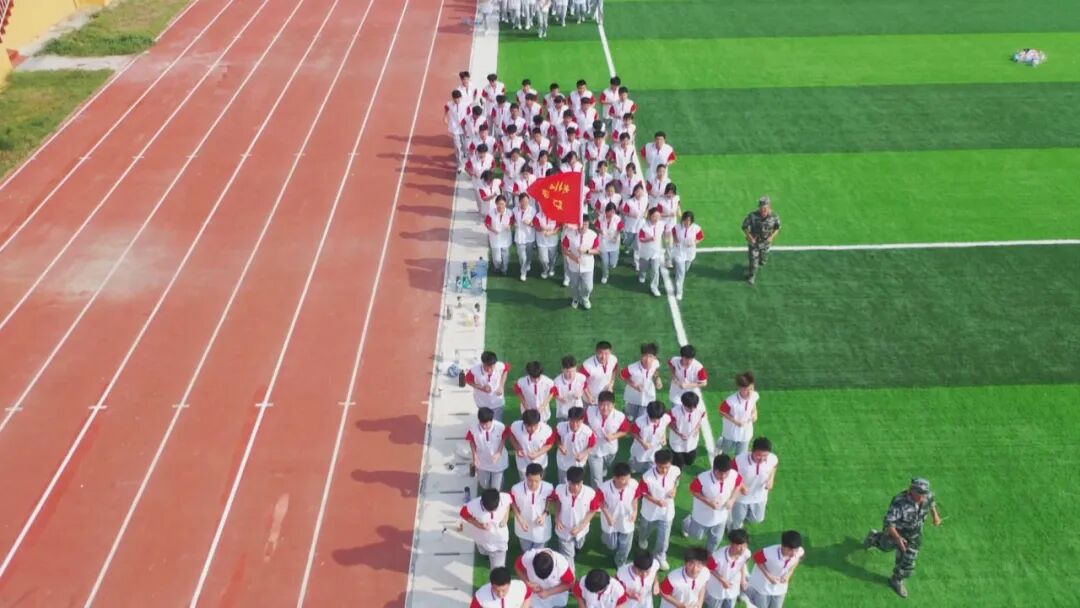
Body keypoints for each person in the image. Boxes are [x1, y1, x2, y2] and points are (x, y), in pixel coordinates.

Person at [863, 478, 943, 598]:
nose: (923, 496)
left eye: (924, 493)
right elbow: (889, 524)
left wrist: (936, 516)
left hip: (914, 535)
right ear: (912, 490)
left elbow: (931, 503)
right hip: (896, 532)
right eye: (920, 493)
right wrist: (898, 539)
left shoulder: (927, 496)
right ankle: (874, 538)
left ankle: (896, 580)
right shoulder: (899, 502)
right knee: (885, 547)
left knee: (908, 561)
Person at [682, 454, 743, 553]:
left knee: (716, 539)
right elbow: (693, 490)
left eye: (726, 473)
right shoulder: (702, 479)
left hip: (721, 516)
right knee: (696, 536)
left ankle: (710, 554)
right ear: (714, 469)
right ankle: (687, 523)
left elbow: (739, 484)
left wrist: (732, 499)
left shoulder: (734, 475)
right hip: (702, 515)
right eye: (720, 473)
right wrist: (708, 502)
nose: (723, 477)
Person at [637, 448, 680, 570]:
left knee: (664, 538)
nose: (664, 470)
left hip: (667, 512)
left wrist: (674, 490)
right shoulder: (647, 477)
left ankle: (660, 556)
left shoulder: (675, 470)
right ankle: (642, 539)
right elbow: (643, 493)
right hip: (649, 511)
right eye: (661, 467)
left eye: (667, 467)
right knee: (645, 529)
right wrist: (656, 501)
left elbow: (677, 479)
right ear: (655, 463)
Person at [552, 466, 602, 567]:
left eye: (578, 484)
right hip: (564, 529)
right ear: (568, 481)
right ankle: (570, 573)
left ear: (582, 481)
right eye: (572, 484)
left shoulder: (590, 493)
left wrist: (580, 527)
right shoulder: (559, 489)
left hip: (581, 530)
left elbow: (593, 510)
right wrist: (557, 518)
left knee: (579, 545)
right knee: (568, 555)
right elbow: (558, 502)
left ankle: (576, 548)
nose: (575, 487)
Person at [597, 461, 642, 566]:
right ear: (615, 478)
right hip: (610, 520)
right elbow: (599, 502)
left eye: (628, 478)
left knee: (625, 544)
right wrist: (608, 516)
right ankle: (605, 537)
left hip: (627, 518)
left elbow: (635, 498)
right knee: (612, 545)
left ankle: (620, 561)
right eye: (623, 479)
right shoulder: (604, 488)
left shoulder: (634, 484)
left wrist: (635, 511)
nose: (626, 482)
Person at [729, 437, 778, 530]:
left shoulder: (773, 459)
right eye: (758, 455)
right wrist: (742, 485)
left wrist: (771, 479)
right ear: (752, 451)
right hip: (740, 498)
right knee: (737, 521)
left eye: (765, 456)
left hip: (760, 497)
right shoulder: (739, 460)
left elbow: (774, 466)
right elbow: (731, 474)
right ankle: (732, 530)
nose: (762, 459)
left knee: (757, 519)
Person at [747, 530, 804, 608]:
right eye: (790, 550)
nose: (793, 554)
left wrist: (788, 574)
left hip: (780, 587)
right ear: (783, 546)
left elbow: (797, 559)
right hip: (762, 585)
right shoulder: (769, 552)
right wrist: (769, 576)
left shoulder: (799, 551)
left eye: (796, 550)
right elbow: (756, 558)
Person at [461, 488, 513, 569]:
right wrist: (479, 525)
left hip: (500, 539)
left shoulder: (504, 497)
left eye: (494, 510)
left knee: (498, 566)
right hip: (482, 538)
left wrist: (505, 518)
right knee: (483, 550)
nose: (492, 512)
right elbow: (463, 514)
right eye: (488, 511)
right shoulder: (472, 506)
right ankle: (486, 554)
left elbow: (508, 503)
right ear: (482, 503)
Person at [585, 391, 629, 486]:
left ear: (613, 405)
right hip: (593, 450)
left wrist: (614, 436)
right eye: (602, 405)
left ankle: (602, 469)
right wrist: (589, 430)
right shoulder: (589, 411)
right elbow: (583, 423)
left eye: (608, 405)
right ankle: (597, 493)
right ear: (598, 404)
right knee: (596, 478)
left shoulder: (620, 417)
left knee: (606, 466)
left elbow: (625, 431)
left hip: (610, 450)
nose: (605, 408)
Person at [511, 463, 556, 552]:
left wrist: (544, 514)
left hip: (541, 527)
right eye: (530, 480)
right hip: (523, 526)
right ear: (526, 476)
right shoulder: (516, 489)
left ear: (541, 477)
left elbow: (550, 500)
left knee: (539, 553)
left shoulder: (548, 487)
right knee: (526, 551)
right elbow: (512, 503)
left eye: (536, 481)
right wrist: (520, 519)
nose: (533, 484)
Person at [704, 529, 752, 608]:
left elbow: (743, 564)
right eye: (739, 545)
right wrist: (722, 579)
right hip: (717, 589)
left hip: (733, 587)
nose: (742, 549)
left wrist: (743, 579)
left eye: (745, 545)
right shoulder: (718, 557)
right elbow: (709, 567)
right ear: (732, 544)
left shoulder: (746, 553)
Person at [742, 196, 781, 285]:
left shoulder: (774, 217)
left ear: (769, 207)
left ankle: (762, 260)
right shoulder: (752, 216)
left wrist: (772, 237)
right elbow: (744, 227)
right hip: (754, 243)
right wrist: (749, 237)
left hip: (766, 243)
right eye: (761, 208)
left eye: (764, 209)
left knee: (763, 261)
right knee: (753, 262)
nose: (762, 211)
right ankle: (752, 276)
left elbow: (777, 228)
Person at [468, 406, 510, 490]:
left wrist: (499, 453)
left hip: (498, 461)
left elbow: (504, 438)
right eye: (482, 423)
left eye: (486, 424)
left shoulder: (500, 427)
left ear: (492, 420)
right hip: (482, 461)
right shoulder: (473, 429)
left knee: (496, 488)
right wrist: (475, 457)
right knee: (484, 485)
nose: (484, 426)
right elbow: (471, 442)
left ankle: (500, 483)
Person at [717, 371, 757, 456]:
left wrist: (754, 414)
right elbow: (721, 411)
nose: (750, 392)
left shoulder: (754, 395)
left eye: (751, 388)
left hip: (746, 431)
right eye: (747, 389)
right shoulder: (731, 401)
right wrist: (736, 422)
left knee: (740, 455)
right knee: (726, 450)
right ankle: (720, 443)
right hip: (731, 431)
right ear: (740, 388)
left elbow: (753, 405)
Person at [562, 221, 600, 310]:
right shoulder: (569, 234)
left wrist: (586, 251)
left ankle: (585, 298)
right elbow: (564, 250)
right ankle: (575, 299)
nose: (582, 227)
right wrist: (574, 258)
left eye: (585, 224)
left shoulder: (593, 235)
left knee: (588, 287)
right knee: (574, 285)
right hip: (573, 266)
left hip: (587, 266)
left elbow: (598, 250)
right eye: (581, 224)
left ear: (588, 224)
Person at [621, 342, 662, 422]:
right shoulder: (632, 368)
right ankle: (626, 413)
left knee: (641, 420)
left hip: (648, 396)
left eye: (650, 356)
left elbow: (656, 370)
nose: (647, 360)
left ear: (655, 357)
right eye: (645, 356)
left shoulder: (655, 363)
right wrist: (634, 386)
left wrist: (657, 378)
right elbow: (622, 376)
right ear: (641, 356)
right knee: (630, 419)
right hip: (632, 398)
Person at [509, 409, 557, 477]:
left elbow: (549, 444)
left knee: (539, 482)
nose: (533, 429)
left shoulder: (547, 430)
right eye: (529, 426)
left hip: (540, 463)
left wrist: (538, 453)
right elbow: (511, 435)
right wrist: (517, 447)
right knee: (524, 481)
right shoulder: (515, 426)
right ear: (524, 423)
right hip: (523, 465)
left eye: (535, 425)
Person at [466, 351, 510, 421]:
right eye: (486, 367)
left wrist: (501, 386)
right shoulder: (474, 370)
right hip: (482, 403)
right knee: (485, 422)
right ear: (483, 363)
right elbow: (468, 380)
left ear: (495, 363)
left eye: (492, 367)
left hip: (497, 402)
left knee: (497, 422)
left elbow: (506, 370)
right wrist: (481, 388)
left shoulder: (500, 365)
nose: (489, 370)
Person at [555, 407, 595, 483]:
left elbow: (592, 445)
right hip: (563, 461)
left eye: (577, 421)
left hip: (579, 463)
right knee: (563, 483)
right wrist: (560, 446)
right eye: (572, 421)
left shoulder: (588, 432)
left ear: (582, 420)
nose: (574, 424)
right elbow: (556, 438)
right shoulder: (560, 427)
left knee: (577, 482)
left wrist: (584, 454)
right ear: (568, 418)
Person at [670, 210, 704, 300]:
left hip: (690, 253)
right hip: (679, 252)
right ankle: (679, 292)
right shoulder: (677, 227)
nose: (687, 222)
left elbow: (701, 237)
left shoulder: (696, 228)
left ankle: (676, 269)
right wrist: (675, 239)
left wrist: (694, 243)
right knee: (681, 273)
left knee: (685, 269)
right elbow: (673, 232)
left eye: (689, 220)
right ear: (683, 219)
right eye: (686, 220)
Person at [629, 401, 669, 475]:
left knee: (653, 462)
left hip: (656, 447)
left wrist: (664, 437)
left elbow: (664, 426)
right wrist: (643, 443)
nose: (656, 421)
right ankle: (634, 466)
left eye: (658, 418)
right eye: (653, 419)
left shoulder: (666, 418)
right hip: (641, 449)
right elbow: (633, 433)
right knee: (638, 463)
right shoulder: (639, 422)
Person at [668, 392, 706, 468]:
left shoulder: (700, 410)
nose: (692, 409)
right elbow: (669, 423)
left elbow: (700, 419)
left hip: (692, 441)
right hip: (677, 441)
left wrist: (697, 429)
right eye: (689, 407)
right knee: (678, 464)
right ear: (683, 404)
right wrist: (678, 433)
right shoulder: (674, 412)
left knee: (689, 461)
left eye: (694, 407)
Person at [668, 344, 708, 412]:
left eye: (691, 359)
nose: (689, 361)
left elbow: (704, 383)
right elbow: (671, 366)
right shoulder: (674, 360)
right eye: (686, 359)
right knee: (676, 414)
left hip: (692, 396)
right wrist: (674, 377)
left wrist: (688, 385)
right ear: (682, 357)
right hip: (676, 395)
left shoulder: (698, 367)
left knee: (694, 414)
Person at [580, 341, 619, 407]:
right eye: (600, 353)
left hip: (606, 398)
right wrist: (589, 396)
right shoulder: (587, 365)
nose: (603, 357)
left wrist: (611, 384)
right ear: (596, 352)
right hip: (590, 400)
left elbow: (614, 370)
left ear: (610, 352)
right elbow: (581, 381)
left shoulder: (613, 359)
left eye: (606, 353)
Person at [637, 207, 664, 297]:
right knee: (643, 267)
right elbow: (641, 239)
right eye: (654, 216)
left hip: (656, 252)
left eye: (658, 216)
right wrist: (649, 239)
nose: (656, 218)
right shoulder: (644, 227)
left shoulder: (661, 224)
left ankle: (654, 287)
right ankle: (642, 275)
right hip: (645, 251)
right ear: (649, 216)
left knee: (655, 270)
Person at [554, 355, 590, 421]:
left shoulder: (581, 378)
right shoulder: (557, 382)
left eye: (573, 371)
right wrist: (560, 398)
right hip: (563, 412)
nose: (571, 374)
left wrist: (581, 393)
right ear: (562, 369)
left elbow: (584, 387)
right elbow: (554, 394)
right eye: (567, 372)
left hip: (577, 410)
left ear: (576, 368)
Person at [595, 202, 624, 284]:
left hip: (614, 242)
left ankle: (609, 265)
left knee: (612, 263)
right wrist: (600, 231)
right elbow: (596, 227)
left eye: (613, 212)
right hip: (603, 242)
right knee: (605, 262)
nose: (612, 214)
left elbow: (621, 228)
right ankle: (605, 275)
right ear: (606, 211)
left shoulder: (617, 218)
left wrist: (616, 236)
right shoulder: (600, 218)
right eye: (610, 211)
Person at [486, 195, 513, 274]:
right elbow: (487, 224)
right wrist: (493, 230)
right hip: (495, 238)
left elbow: (512, 222)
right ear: (496, 203)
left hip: (506, 238)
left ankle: (504, 270)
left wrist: (509, 226)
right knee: (497, 258)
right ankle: (497, 267)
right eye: (499, 204)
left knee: (506, 257)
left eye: (502, 204)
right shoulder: (491, 213)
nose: (500, 206)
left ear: (505, 203)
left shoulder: (509, 213)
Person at [444, 90, 471, 169]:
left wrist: (466, 123)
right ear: (453, 98)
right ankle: (459, 163)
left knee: (465, 144)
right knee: (457, 146)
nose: (457, 100)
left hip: (464, 127)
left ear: (461, 98)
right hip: (455, 128)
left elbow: (469, 113)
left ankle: (466, 155)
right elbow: (446, 108)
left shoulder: (465, 104)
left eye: (458, 98)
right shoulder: (449, 104)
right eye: (455, 99)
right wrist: (444, 117)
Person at [514, 193, 538, 281]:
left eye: (527, 201)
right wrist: (514, 223)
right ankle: (523, 273)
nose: (525, 203)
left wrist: (530, 224)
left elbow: (536, 223)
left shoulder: (533, 210)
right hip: (519, 237)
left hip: (529, 236)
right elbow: (512, 220)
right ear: (519, 201)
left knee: (529, 254)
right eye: (523, 201)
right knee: (522, 257)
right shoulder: (515, 210)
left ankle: (528, 263)